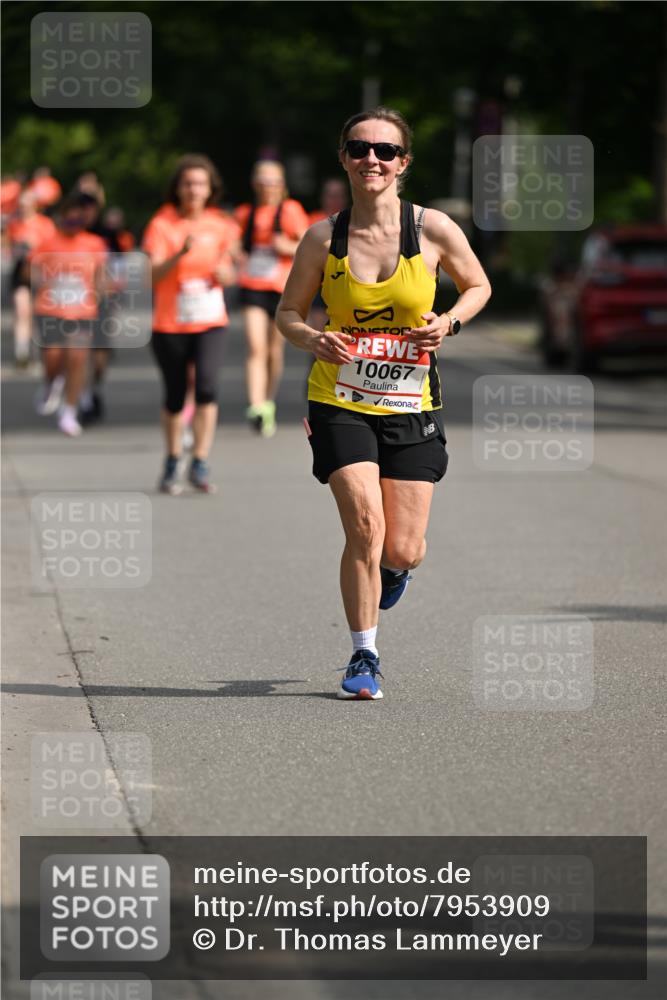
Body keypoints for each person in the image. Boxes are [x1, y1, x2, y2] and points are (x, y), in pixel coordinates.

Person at [277, 107, 492, 700]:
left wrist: (446, 323)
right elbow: (287, 314)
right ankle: (364, 655)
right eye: (359, 147)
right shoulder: (324, 237)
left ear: (403, 162)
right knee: (365, 528)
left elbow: (479, 286)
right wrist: (312, 337)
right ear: (343, 157)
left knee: (402, 546)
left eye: (385, 150)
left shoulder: (433, 230)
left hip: (410, 401)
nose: (372, 158)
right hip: (339, 397)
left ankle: (394, 571)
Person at [142, 154, 240, 494]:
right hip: (170, 323)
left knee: (207, 388)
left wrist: (226, 273)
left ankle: (199, 459)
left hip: (210, 320)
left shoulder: (221, 224)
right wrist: (179, 254)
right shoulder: (162, 224)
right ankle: (172, 459)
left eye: (200, 183)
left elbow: (230, 266)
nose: (194, 189)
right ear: (178, 188)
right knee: (174, 394)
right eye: (187, 183)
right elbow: (151, 276)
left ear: (210, 188)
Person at [235, 161, 309, 437]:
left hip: (282, 288)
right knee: (255, 347)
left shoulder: (291, 210)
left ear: (281, 184)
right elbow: (233, 245)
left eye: (273, 181)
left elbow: (307, 246)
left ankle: (267, 401)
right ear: (255, 184)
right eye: (263, 181)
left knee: (273, 349)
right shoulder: (245, 213)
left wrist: (285, 247)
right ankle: (255, 405)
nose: (268, 186)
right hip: (252, 285)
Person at [28, 193, 108, 436]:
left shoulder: (93, 244)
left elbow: (101, 277)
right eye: (68, 220)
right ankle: (51, 382)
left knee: (76, 359)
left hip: (82, 311)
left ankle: (69, 412)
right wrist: (43, 281)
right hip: (51, 309)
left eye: (77, 221)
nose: (73, 225)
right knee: (53, 359)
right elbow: (31, 272)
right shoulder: (48, 243)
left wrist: (100, 296)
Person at [7, 189, 57, 366]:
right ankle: (22, 352)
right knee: (22, 311)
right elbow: (9, 248)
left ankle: (42, 350)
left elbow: (53, 249)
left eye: (26, 204)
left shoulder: (45, 224)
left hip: (41, 273)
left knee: (39, 314)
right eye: (20, 205)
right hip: (21, 272)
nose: (23, 208)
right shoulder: (14, 225)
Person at [308, 178, 349, 333]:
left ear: (345, 198)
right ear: (323, 198)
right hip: (320, 287)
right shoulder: (313, 221)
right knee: (320, 336)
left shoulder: (354, 221)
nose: (334, 200)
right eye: (330, 195)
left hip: (346, 287)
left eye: (338, 195)